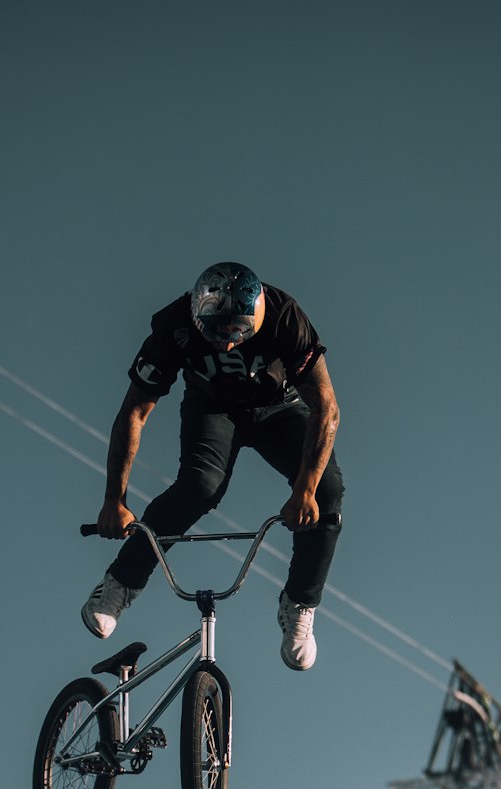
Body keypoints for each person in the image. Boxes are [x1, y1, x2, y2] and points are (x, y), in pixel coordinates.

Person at [82, 262, 344, 671]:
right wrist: (114, 500)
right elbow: (133, 412)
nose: (226, 345)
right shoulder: (173, 327)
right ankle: (120, 583)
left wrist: (305, 490)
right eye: (217, 333)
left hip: (279, 407)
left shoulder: (285, 318)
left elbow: (325, 409)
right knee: (201, 486)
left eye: (238, 334)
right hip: (213, 409)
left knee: (326, 493)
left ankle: (299, 604)